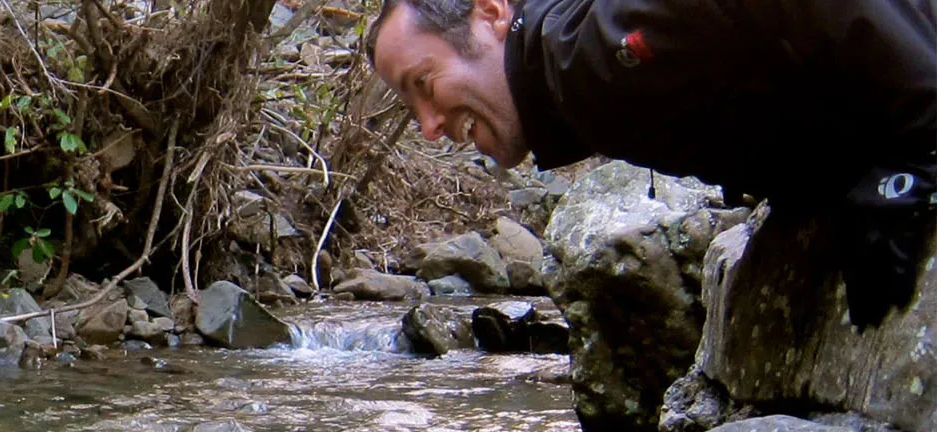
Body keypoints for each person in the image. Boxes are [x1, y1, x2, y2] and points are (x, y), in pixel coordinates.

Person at [366, 0, 937, 329]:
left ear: (489, 12)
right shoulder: (575, 83)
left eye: (425, 84)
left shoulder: (589, 48)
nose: (429, 126)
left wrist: (916, 148)